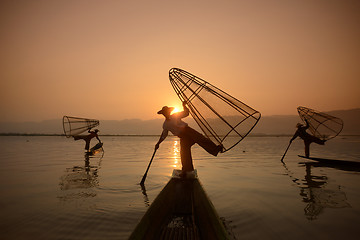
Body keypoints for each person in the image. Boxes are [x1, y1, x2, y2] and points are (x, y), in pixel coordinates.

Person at [155, 101, 223, 175]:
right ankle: (187, 170)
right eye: (164, 112)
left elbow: (186, 113)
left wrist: (184, 106)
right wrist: (158, 143)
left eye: (167, 111)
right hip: (183, 137)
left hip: (188, 131)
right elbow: (163, 135)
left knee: (201, 139)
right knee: (184, 153)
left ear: (169, 111)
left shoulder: (175, 115)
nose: (166, 113)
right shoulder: (165, 125)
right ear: (163, 114)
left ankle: (216, 149)